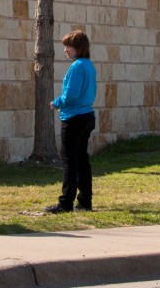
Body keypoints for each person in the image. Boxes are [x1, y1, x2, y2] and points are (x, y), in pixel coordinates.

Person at [43, 28, 97, 214]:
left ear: (78, 47)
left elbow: (71, 95)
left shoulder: (76, 67)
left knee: (69, 161)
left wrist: (56, 103)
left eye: (69, 46)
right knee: (82, 159)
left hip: (73, 118)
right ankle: (85, 201)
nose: (65, 49)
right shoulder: (89, 65)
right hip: (87, 116)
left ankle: (65, 203)